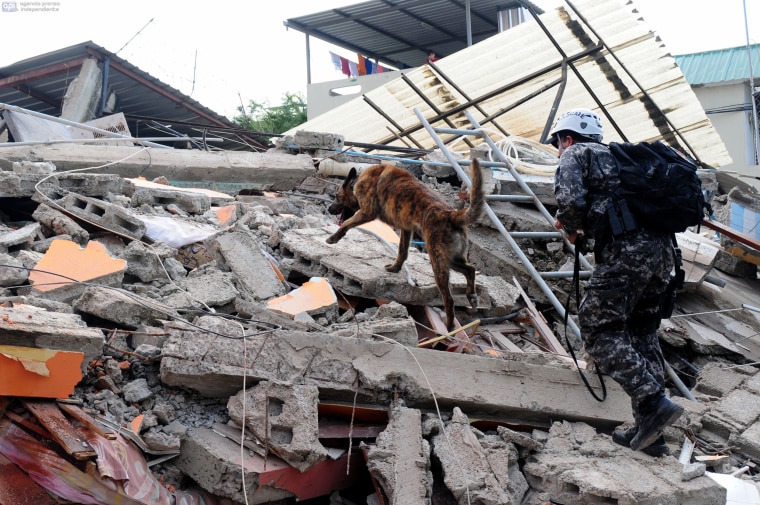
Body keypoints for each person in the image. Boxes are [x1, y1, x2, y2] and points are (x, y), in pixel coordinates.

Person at [546, 108, 684, 457]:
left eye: (557, 143)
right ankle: (651, 432)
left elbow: (570, 200)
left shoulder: (576, 154)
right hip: (664, 254)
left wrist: (571, 227)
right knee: (641, 334)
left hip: (628, 253)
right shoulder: (620, 159)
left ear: (567, 138)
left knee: (598, 327)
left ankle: (652, 401)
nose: (559, 150)